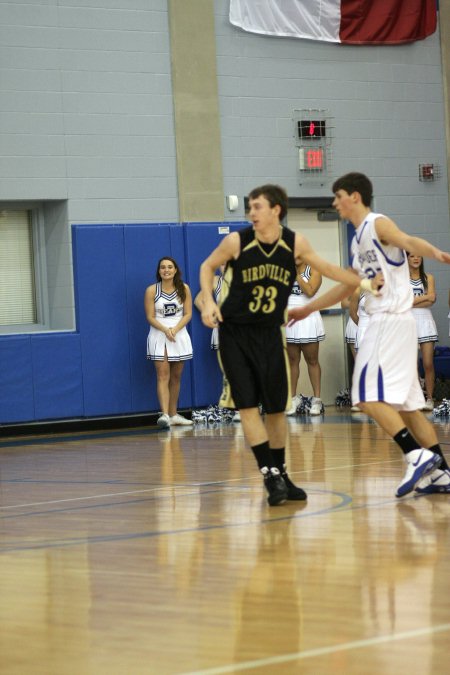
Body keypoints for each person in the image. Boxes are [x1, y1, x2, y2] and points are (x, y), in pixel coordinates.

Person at [288, 172, 450, 497]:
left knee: (364, 396)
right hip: (400, 322)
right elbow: (347, 285)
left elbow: (408, 241)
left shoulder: (377, 224)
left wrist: (437, 253)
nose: (335, 203)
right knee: (407, 405)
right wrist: (309, 308)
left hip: (387, 320)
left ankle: (415, 455)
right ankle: (442, 473)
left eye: (338, 196)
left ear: (355, 197)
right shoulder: (356, 239)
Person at [199, 184, 361, 506]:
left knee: (276, 409)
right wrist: (207, 304)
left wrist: (362, 280)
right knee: (248, 406)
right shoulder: (237, 241)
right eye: (249, 207)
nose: (251, 213)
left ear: (276, 210)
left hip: (272, 332)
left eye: (257, 207)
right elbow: (206, 267)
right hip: (236, 333)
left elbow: (326, 268)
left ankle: (282, 472)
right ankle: (269, 474)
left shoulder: (295, 242)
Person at [145, 256, 194, 429]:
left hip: (179, 334)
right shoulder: (152, 290)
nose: (166, 270)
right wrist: (166, 330)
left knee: (176, 376)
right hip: (159, 334)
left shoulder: (184, 288)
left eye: (169, 267)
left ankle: (174, 414)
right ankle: (164, 414)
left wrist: (175, 329)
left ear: (175, 270)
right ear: (159, 271)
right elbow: (150, 316)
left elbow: (188, 313)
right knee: (163, 375)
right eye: (163, 267)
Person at [194, 267, 241, 422]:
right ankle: (236, 406)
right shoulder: (215, 280)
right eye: (222, 264)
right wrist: (213, 314)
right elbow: (198, 300)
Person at [285, 263, 325, 416]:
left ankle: (316, 400)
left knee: (312, 360)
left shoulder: (314, 269)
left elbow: (309, 291)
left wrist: (295, 274)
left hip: (308, 318)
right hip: (289, 319)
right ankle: (293, 398)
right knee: (292, 360)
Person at [408, 253, 438, 411]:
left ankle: (430, 398)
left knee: (428, 363)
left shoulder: (428, 277)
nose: (416, 258)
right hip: (408, 323)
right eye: (412, 256)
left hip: (425, 322)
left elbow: (432, 299)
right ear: (406, 259)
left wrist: (411, 301)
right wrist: (424, 298)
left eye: (419, 256)